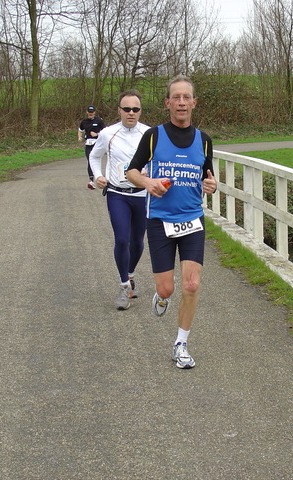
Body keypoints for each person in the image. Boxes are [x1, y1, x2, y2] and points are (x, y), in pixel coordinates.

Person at [126, 75, 217, 369]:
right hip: (160, 222)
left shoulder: (204, 141)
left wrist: (212, 185)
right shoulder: (153, 136)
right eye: (175, 97)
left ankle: (181, 344)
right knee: (167, 289)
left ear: (193, 103)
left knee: (191, 285)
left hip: (192, 220)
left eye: (185, 97)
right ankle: (162, 298)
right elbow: (131, 172)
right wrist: (147, 182)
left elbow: (209, 177)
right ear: (168, 103)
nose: (181, 102)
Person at [89, 90, 150, 310]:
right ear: (119, 110)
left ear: (140, 111)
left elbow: (160, 160)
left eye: (135, 109)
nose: (131, 113)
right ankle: (124, 285)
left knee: (137, 241)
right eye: (126, 109)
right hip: (117, 194)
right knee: (122, 239)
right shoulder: (108, 133)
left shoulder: (150, 133)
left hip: (143, 195)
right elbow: (94, 156)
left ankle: (130, 274)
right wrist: (98, 176)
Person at [78, 105, 105, 189]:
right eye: (89, 112)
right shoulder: (84, 121)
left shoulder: (99, 121)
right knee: (90, 160)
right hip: (88, 143)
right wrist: (79, 136)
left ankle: (99, 178)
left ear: (94, 112)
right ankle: (91, 181)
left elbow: (105, 132)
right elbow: (80, 130)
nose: (91, 113)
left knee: (96, 160)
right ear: (87, 112)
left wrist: (97, 134)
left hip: (97, 143)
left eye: (92, 112)